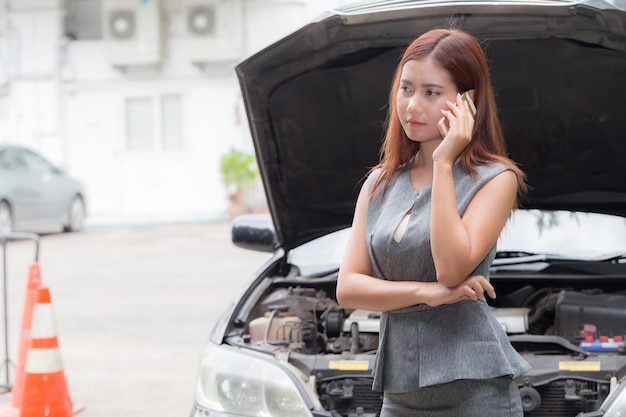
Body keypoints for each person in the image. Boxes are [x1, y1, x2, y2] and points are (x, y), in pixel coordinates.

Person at [336, 28, 532, 416]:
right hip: (400, 394)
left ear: (466, 102)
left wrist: (444, 162)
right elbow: (348, 288)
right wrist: (427, 294)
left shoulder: (496, 179)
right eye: (406, 88)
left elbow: (451, 269)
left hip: (475, 393)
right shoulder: (379, 182)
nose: (412, 105)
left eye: (431, 92)